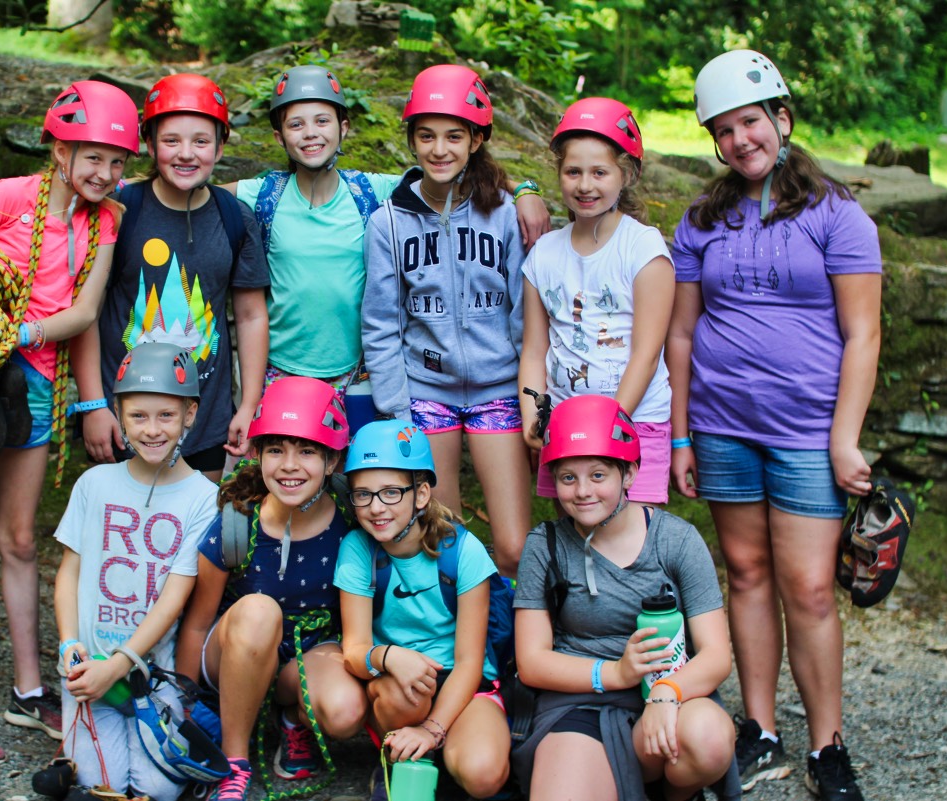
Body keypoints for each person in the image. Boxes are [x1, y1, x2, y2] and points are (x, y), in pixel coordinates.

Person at [666, 49, 882, 801]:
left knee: (811, 587)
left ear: (781, 120)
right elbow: (683, 336)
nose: (740, 140)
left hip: (806, 432)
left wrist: (844, 436)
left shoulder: (839, 215)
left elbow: (864, 335)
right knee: (749, 575)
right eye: (723, 130)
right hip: (724, 426)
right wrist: (683, 434)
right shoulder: (701, 221)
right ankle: (758, 730)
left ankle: (828, 743)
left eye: (751, 122)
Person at [0, 80, 138, 768]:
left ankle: (28, 686)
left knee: (19, 536)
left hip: (36, 382)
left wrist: (20, 332)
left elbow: (82, 315)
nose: (102, 172)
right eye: (90, 156)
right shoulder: (12, 195)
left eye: (115, 161)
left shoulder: (106, 223)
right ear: (59, 148)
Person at [218, 65, 550, 431]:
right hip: (281, 371)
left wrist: (525, 190)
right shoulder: (265, 193)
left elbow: (445, 175)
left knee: (359, 478)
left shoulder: (368, 192)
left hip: (356, 376)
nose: (310, 133)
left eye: (322, 121)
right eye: (296, 124)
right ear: (279, 137)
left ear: (343, 129)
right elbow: (206, 190)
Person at [512, 395, 736, 801]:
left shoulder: (677, 541)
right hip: (580, 699)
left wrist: (667, 692)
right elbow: (531, 663)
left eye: (598, 475)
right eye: (568, 478)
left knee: (709, 738)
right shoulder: (544, 547)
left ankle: (674, 792)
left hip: (669, 691)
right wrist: (616, 673)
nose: (582, 492)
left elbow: (717, 655)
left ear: (629, 473)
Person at [361, 64, 533, 577]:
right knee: (446, 545)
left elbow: (525, 313)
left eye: (454, 136)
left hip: (497, 390)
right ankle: (462, 653)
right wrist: (396, 409)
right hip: (425, 393)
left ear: (477, 139)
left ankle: (515, 651)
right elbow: (380, 323)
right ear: (411, 140)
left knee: (513, 548)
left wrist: (531, 395)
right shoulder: (388, 222)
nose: (440, 149)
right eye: (427, 136)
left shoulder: (505, 213)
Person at [176, 377, 367, 801]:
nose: (290, 465)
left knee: (344, 712)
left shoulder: (350, 525)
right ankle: (233, 761)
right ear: (258, 454)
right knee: (260, 611)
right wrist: (181, 705)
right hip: (234, 648)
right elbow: (197, 624)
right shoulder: (236, 525)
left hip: (305, 654)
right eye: (276, 449)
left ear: (333, 460)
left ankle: (292, 717)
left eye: (308, 451)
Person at [78, 73, 270, 482]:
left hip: (203, 422)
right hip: (121, 416)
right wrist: (92, 404)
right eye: (171, 141)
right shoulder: (118, 212)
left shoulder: (234, 218)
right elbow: (86, 313)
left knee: (194, 538)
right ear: (149, 145)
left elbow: (251, 315)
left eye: (201, 141)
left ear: (220, 147)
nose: (186, 154)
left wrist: (248, 404)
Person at [55, 341, 217, 800]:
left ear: (189, 414)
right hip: (90, 669)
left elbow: (175, 597)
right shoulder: (95, 484)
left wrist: (123, 663)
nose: (151, 430)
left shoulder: (203, 499)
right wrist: (70, 642)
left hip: (152, 672)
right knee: (97, 784)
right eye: (138, 415)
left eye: (166, 415)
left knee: (156, 791)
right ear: (119, 413)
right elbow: (69, 572)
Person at [335, 420, 511, 800]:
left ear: (421, 493)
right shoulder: (357, 548)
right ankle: (399, 763)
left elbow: (468, 663)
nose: (375, 508)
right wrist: (389, 656)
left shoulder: (463, 551)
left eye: (390, 493)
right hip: (397, 682)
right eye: (362, 495)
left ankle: (433, 752)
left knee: (484, 775)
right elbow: (353, 651)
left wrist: (432, 729)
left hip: (464, 683)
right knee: (408, 694)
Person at [519, 97, 675, 505]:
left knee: (634, 544)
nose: (585, 185)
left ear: (625, 175)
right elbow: (535, 349)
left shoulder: (643, 248)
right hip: (566, 424)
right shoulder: (544, 255)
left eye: (599, 172)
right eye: (573, 172)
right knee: (574, 543)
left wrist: (609, 423)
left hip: (634, 421)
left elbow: (647, 351)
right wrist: (532, 415)